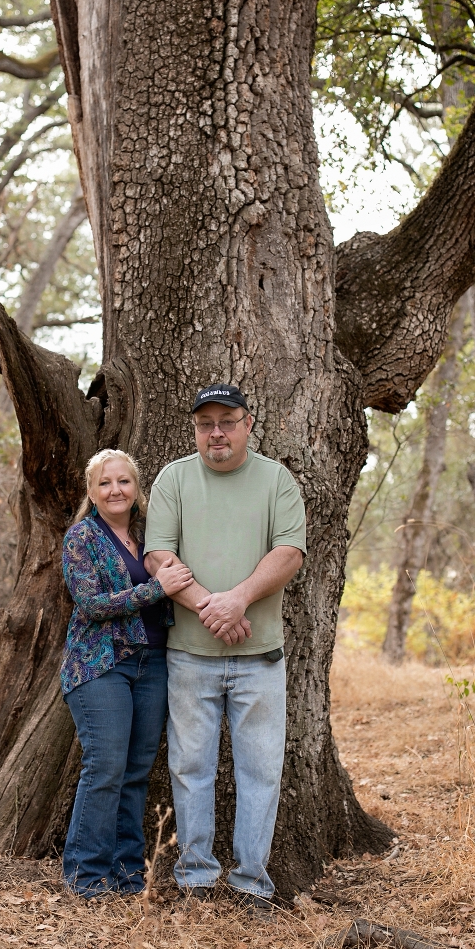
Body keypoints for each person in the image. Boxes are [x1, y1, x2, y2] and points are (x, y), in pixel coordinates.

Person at [144, 384, 306, 916]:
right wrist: (212, 608)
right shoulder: (174, 479)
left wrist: (238, 600)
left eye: (227, 421)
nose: (216, 432)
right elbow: (158, 556)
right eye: (205, 423)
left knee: (261, 772)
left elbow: (289, 552)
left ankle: (252, 883)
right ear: (196, 429)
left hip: (261, 658)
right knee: (190, 767)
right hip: (190, 655)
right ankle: (195, 877)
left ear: (248, 423)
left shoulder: (276, 481)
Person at [60, 448, 193, 898]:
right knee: (105, 767)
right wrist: (156, 589)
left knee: (136, 771)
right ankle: (86, 876)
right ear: (91, 491)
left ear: (137, 488)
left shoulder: (152, 535)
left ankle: (128, 874)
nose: (115, 490)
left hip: (153, 664)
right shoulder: (81, 538)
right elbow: (90, 604)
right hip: (101, 664)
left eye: (123, 481)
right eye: (104, 482)